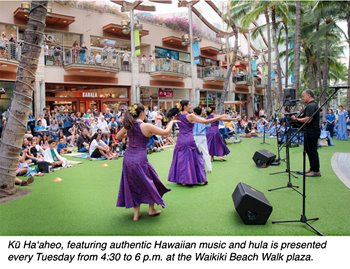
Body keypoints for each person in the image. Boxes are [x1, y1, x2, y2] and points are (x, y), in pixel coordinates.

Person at [116, 103, 178, 221]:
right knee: (150, 181)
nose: (146, 113)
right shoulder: (146, 126)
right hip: (140, 158)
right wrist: (171, 122)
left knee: (132, 183)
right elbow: (166, 132)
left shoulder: (129, 125)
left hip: (128, 158)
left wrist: (128, 133)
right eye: (145, 111)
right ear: (141, 113)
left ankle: (136, 214)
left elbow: (118, 136)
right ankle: (151, 209)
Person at [166, 100, 226, 186]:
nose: (190, 106)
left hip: (180, 140)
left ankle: (183, 180)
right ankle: (195, 179)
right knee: (196, 159)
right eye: (189, 105)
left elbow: (170, 123)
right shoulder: (190, 116)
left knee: (181, 160)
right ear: (185, 106)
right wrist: (219, 117)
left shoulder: (177, 116)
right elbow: (205, 122)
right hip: (189, 140)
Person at [291, 89, 321, 177]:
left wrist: (296, 119)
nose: (302, 98)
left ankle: (316, 170)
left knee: (312, 151)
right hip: (310, 131)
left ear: (309, 95)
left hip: (312, 131)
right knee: (309, 150)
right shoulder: (311, 105)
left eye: (303, 96)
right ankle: (312, 168)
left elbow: (308, 119)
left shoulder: (311, 106)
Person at [193, 106, 212, 173]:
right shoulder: (203, 119)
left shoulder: (193, 120)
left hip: (194, 136)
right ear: (201, 112)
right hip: (202, 136)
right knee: (205, 152)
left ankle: (195, 168)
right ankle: (209, 168)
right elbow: (208, 125)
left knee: (195, 152)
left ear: (194, 112)